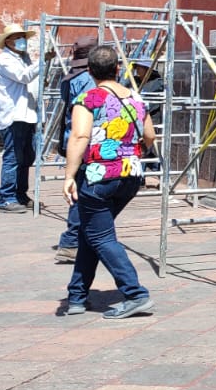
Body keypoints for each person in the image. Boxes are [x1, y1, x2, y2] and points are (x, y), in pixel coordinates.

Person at [60, 44, 155, 318]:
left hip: (98, 176)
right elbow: (150, 136)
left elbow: (80, 136)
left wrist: (69, 175)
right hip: (130, 175)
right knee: (91, 231)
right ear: (118, 69)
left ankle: (135, 294)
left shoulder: (89, 98)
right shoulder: (136, 98)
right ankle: (77, 295)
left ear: (90, 71)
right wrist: (131, 152)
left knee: (100, 236)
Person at [53, 35, 99, 264]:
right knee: (82, 191)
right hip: (84, 138)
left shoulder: (70, 77)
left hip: (73, 137)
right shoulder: (88, 80)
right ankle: (71, 241)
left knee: (81, 188)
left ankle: (79, 239)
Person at [0, 22, 41, 212]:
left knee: (27, 157)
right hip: (13, 115)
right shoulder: (5, 60)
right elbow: (24, 77)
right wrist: (42, 62)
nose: (22, 41)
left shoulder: (23, 59)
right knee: (13, 157)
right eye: (18, 38)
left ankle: (21, 193)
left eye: (23, 37)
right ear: (8, 41)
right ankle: (6, 197)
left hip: (28, 113)